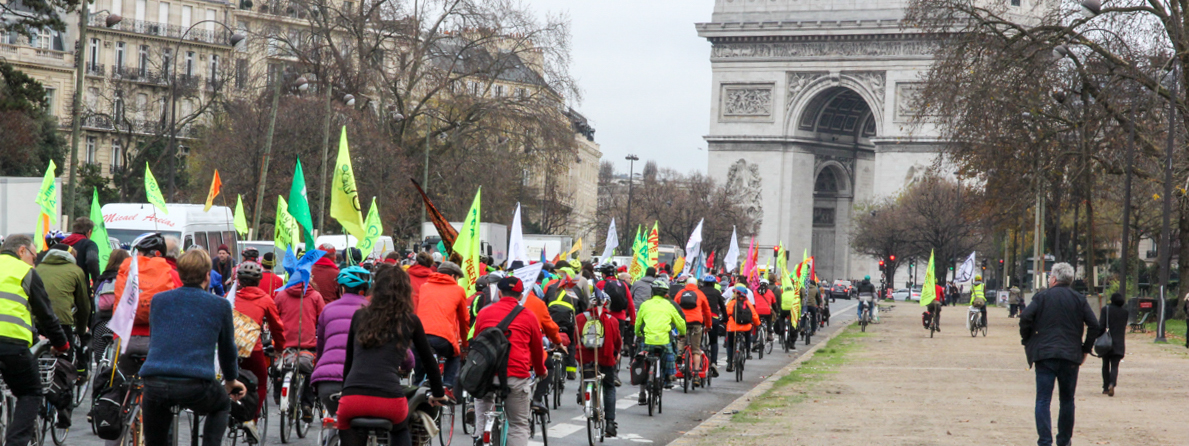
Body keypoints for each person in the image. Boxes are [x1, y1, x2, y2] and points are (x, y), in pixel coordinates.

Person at [139, 248, 246, 446]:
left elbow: (156, 338)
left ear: (180, 273)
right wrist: (231, 381)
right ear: (207, 275)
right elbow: (227, 348)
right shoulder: (220, 305)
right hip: (196, 384)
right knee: (222, 403)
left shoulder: (159, 300)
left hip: (155, 381)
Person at [337, 264, 448, 446]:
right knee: (401, 428)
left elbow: (349, 362)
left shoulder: (359, 316)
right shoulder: (411, 321)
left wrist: (345, 391)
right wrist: (438, 393)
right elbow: (429, 362)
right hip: (389, 400)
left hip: (352, 399)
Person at [0, 235, 70, 446]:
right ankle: (15, 442)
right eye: (33, 256)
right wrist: (61, 344)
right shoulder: (25, 272)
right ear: (21, 251)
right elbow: (46, 314)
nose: (34, 262)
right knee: (30, 392)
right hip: (12, 345)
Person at [1019, 262, 1100, 446]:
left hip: (1045, 354)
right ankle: (1064, 440)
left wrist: (1028, 340)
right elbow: (1094, 325)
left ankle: (1045, 441)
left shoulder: (1042, 297)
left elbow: (1025, 317)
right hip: (1070, 354)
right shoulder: (1079, 299)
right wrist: (1085, 349)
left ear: (1054, 279)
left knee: (1043, 399)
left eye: (1049, 277)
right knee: (1067, 400)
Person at [471, 277, 546, 446]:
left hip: (486, 375)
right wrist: (541, 371)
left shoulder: (484, 312)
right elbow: (536, 349)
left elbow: (477, 342)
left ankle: (480, 433)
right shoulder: (528, 316)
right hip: (516, 376)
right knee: (518, 424)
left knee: (482, 403)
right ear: (520, 296)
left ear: (499, 293)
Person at [34, 243, 90, 426]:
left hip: (36, 322)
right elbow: (83, 305)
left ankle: (38, 400)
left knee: (37, 362)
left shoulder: (38, 268)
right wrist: (82, 330)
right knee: (65, 364)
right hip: (62, 323)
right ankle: (63, 410)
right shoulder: (76, 271)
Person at [231, 261, 285, 439]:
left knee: (225, 378)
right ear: (258, 281)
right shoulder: (265, 299)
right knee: (261, 382)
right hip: (252, 349)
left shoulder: (230, 296)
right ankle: (251, 421)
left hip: (229, 348)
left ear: (239, 280)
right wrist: (279, 348)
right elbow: (277, 327)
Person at [113, 233, 182, 371]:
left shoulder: (127, 271)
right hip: (157, 341)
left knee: (116, 381)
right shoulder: (173, 275)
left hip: (125, 340)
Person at [312, 266, 372, 420]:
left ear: (342, 289)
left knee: (337, 420)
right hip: (360, 380)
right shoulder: (374, 312)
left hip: (327, 381)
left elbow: (321, 347)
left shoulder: (328, 310)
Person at [275, 266, 328, 422]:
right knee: (310, 373)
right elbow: (323, 320)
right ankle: (306, 404)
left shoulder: (281, 295)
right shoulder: (316, 296)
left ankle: (279, 396)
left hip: (285, 346)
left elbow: (273, 316)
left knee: (280, 369)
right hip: (307, 345)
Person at [412, 261, 469, 390]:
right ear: (454, 276)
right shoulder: (458, 290)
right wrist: (464, 346)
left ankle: (417, 385)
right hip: (442, 338)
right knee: (454, 355)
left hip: (419, 336)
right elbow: (464, 320)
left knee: (419, 369)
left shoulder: (424, 287)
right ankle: (447, 385)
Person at [574, 292, 622, 437]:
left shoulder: (580, 318)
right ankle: (610, 423)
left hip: (585, 357)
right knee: (609, 387)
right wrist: (617, 353)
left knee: (586, 373)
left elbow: (576, 339)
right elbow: (617, 341)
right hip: (605, 359)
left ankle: (582, 389)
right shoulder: (612, 320)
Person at [634, 279, 685, 400]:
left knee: (641, 361)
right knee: (671, 352)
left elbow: (637, 323)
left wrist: (638, 333)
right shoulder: (669, 305)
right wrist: (682, 333)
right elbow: (680, 322)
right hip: (664, 340)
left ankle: (642, 393)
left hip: (647, 340)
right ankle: (668, 377)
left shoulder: (645, 304)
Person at [90, 249, 130, 364]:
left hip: (102, 323)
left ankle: (100, 374)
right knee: (121, 362)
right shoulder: (130, 280)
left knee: (99, 359)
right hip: (121, 326)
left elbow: (94, 304)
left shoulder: (102, 279)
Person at [673, 275, 712, 387]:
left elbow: (674, 307)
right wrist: (708, 325)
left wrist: (674, 322)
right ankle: (695, 374)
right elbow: (707, 311)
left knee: (681, 339)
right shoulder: (700, 294)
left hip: (683, 321)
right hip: (696, 322)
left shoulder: (680, 293)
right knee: (696, 349)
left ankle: (680, 353)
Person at [724, 283, 760, 373]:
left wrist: (726, 321)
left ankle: (729, 361)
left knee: (730, 344)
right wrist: (757, 324)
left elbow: (727, 313)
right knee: (748, 335)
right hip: (746, 326)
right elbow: (754, 316)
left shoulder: (732, 303)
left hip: (733, 327)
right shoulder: (748, 304)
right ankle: (748, 352)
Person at [61, 217, 101, 295]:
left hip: (61, 287)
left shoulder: (62, 243)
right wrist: (96, 281)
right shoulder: (89, 244)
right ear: (89, 232)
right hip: (80, 288)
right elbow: (92, 260)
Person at [1099, 292, 1127, 397]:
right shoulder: (1125, 312)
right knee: (1115, 365)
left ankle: (1105, 387)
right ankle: (1112, 383)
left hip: (1106, 342)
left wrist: (1096, 337)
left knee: (1105, 365)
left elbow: (1101, 326)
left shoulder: (1105, 310)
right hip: (1119, 342)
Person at [699, 275, 726, 375]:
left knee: (698, 341)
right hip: (713, 318)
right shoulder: (716, 292)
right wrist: (725, 319)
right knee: (714, 342)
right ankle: (714, 362)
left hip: (701, 318)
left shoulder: (700, 291)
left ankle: (699, 359)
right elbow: (723, 308)